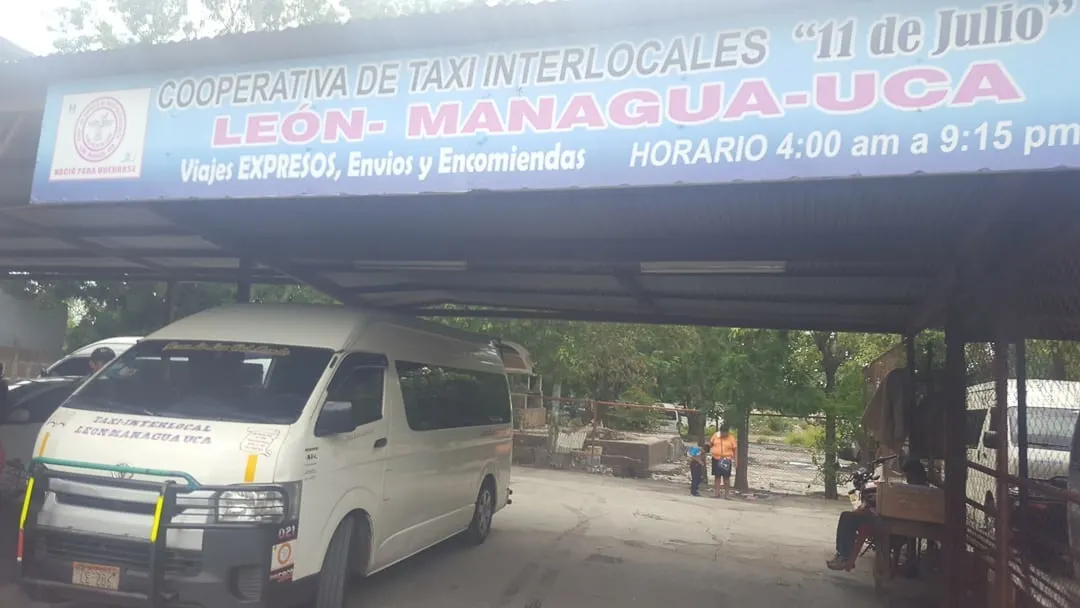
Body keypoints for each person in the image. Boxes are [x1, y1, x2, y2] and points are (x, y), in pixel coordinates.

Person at [710, 424, 737, 499]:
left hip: (726, 460)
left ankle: (727, 494)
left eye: (725, 433)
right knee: (717, 476)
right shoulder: (716, 435)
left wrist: (736, 461)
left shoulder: (731, 438)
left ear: (727, 432)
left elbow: (735, 450)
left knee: (726, 477)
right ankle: (717, 493)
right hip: (716, 458)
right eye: (722, 432)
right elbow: (711, 444)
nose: (723, 434)